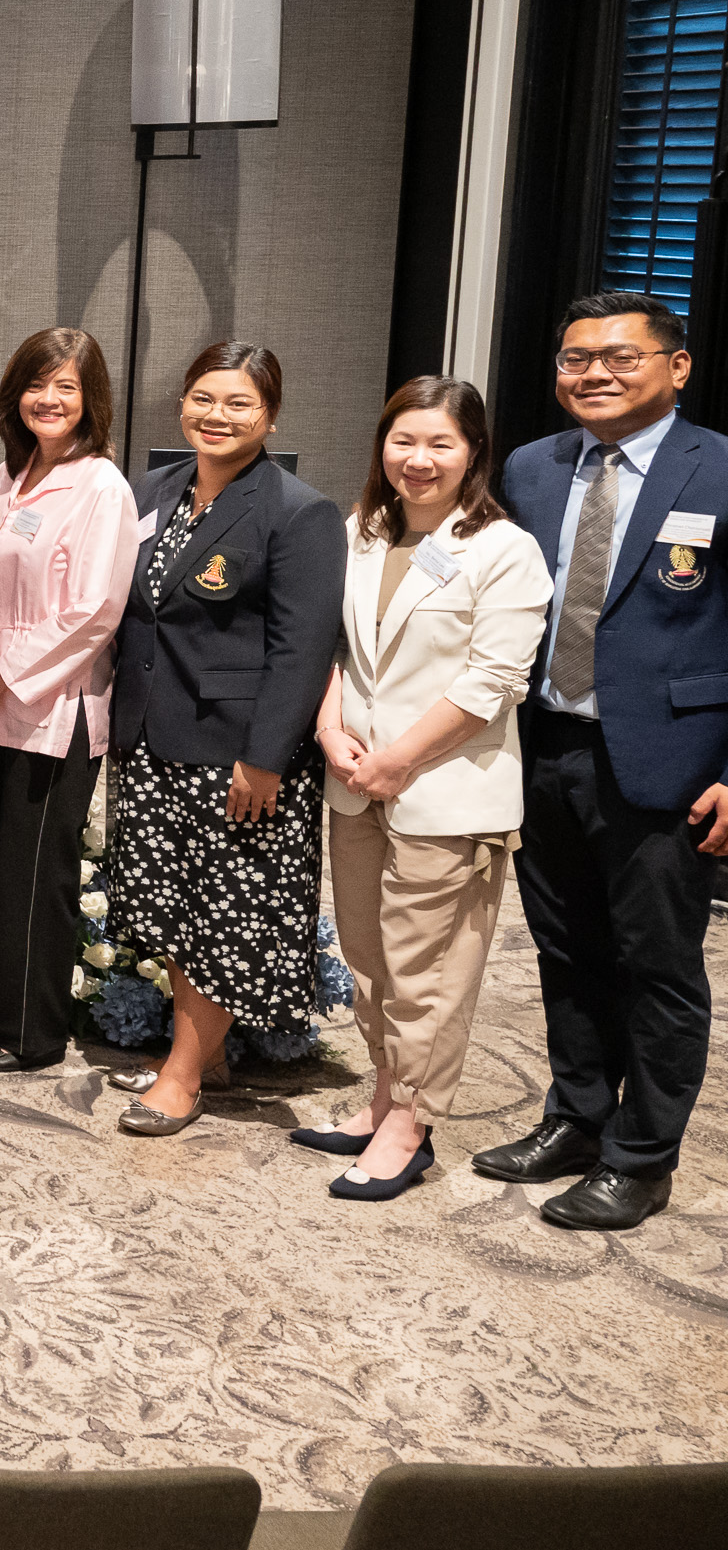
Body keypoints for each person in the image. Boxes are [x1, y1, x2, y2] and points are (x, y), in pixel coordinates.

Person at [476, 292, 728, 1230]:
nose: (593, 374)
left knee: (658, 966)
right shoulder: (534, 468)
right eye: (575, 358)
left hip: (671, 761)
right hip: (546, 748)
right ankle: (577, 1116)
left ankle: (641, 1155)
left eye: (619, 357)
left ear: (678, 365)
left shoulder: (721, 472)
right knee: (564, 951)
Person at [308, 377, 548, 1200]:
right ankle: (381, 1094)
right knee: (369, 958)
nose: (418, 459)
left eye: (440, 443)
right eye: (403, 440)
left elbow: (494, 681)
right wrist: (330, 730)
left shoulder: (504, 548)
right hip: (355, 781)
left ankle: (411, 1125)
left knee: (431, 972)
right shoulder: (361, 534)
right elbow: (332, 650)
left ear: (473, 451)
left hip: (446, 790)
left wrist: (397, 758)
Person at [102, 342, 344, 1137]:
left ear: (270, 415)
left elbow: (302, 649)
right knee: (172, 906)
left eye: (239, 403)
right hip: (149, 733)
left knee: (220, 912)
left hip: (234, 752)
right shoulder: (155, 489)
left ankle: (182, 1074)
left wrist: (266, 754)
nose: (218, 415)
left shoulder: (296, 510)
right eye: (204, 398)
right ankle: (199, 1050)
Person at [0, 327, 133, 1074]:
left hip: (56, 709)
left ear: (90, 400)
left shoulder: (101, 486)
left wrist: (8, 669)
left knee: (36, 870)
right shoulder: (8, 475)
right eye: (37, 383)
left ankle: (31, 1031)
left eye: (66, 387)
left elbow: (95, 609)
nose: (49, 399)